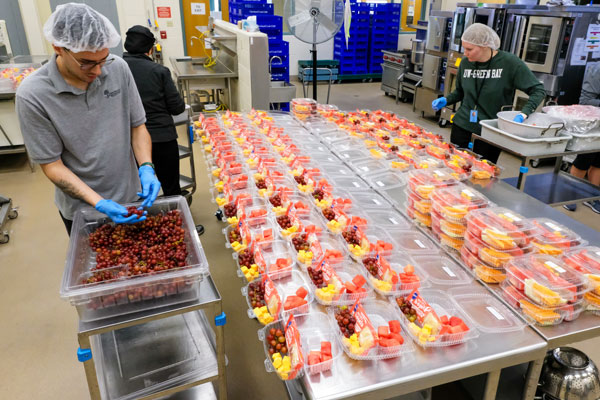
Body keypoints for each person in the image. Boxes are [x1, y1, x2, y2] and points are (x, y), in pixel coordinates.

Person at [15, 3, 161, 235]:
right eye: (86, 63)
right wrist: (98, 202)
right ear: (59, 48)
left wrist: (146, 167)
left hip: (134, 198)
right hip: (82, 210)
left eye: (102, 59)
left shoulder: (118, 68)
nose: (99, 71)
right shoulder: (33, 95)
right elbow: (52, 165)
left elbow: (138, 126)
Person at [432, 23, 546, 164]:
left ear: (485, 46)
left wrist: (523, 113)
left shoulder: (510, 63)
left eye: (469, 49)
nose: (465, 53)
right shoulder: (466, 63)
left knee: (482, 175)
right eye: (464, 48)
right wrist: (446, 100)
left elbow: (538, 90)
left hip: (490, 131)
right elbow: (460, 92)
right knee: (456, 169)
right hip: (461, 126)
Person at [123, 26, 185, 197]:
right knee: (171, 186)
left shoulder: (115, 70)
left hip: (129, 140)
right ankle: (175, 221)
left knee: (139, 189)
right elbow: (177, 107)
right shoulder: (159, 71)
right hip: (162, 138)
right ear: (150, 49)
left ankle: (145, 221)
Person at [564, 62, 600, 213]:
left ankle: (594, 197)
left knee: (599, 162)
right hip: (593, 123)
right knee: (585, 159)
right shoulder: (596, 69)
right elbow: (585, 101)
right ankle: (570, 196)